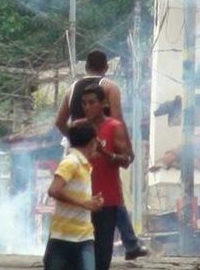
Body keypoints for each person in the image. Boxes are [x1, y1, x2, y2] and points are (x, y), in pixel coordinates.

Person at [15, 122, 103, 270]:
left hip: (84, 235)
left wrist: (90, 202)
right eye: (97, 141)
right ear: (90, 142)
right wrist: (85, 203)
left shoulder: (85, 165)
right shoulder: (71, 162)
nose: (99, 146)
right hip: (63, 238)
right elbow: (54, 190)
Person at [54, 50, 146, 259]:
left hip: (76, 152)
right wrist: (126, 150)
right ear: (106, 67)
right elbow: (117, 119)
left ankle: (74, 242)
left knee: (82, 193)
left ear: (86, 67)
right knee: (110, 194)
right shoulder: (109, 87)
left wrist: (76, 137)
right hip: (102, 147)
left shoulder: (72, 89)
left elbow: (60, 122)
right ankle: (128, 243)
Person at [66, 85, 143, 270]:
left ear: (103, 104)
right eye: (85, 103)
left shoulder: (114, 127)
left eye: (92, 102)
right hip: (80, 199)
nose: (88, 107)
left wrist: (106, 153)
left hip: (107, 199)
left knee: (101, 254)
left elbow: (127, 158)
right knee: (75, 249)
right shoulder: (80, 128)